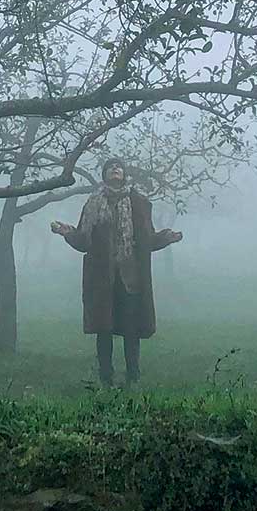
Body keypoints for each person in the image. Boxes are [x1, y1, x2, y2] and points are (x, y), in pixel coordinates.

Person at [51, 158, 182, 387]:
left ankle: (133, 376)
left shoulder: (139, 203)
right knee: (104, 328)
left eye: (119, 167)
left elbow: (147, 239)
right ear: (104, 175)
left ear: (124, 175)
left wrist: (165, 238)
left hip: (130, 276)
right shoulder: (92, 204)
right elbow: (83, 241)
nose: (115, 169)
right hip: (101, 277)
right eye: (110, 167)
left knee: (131, 328)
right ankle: (106, 377)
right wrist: (67, 233)